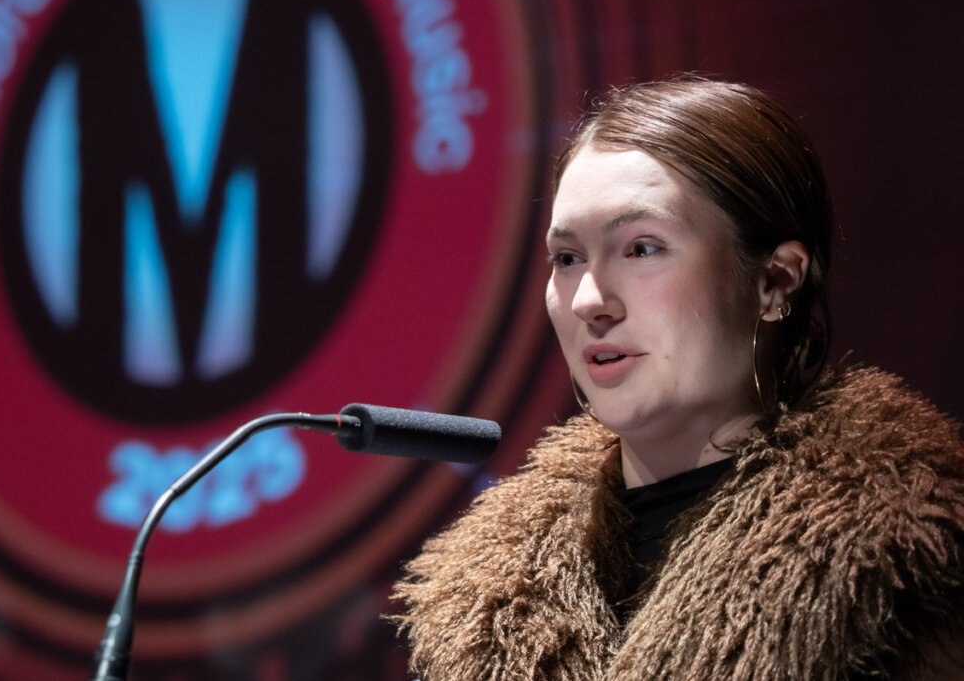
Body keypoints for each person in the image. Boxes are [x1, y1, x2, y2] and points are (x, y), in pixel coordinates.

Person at [393, 78, 964, 680]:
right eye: (567, 258)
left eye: (641, 249)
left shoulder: (905, 563)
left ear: (776, 281)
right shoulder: (477, 606)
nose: (588, 300)